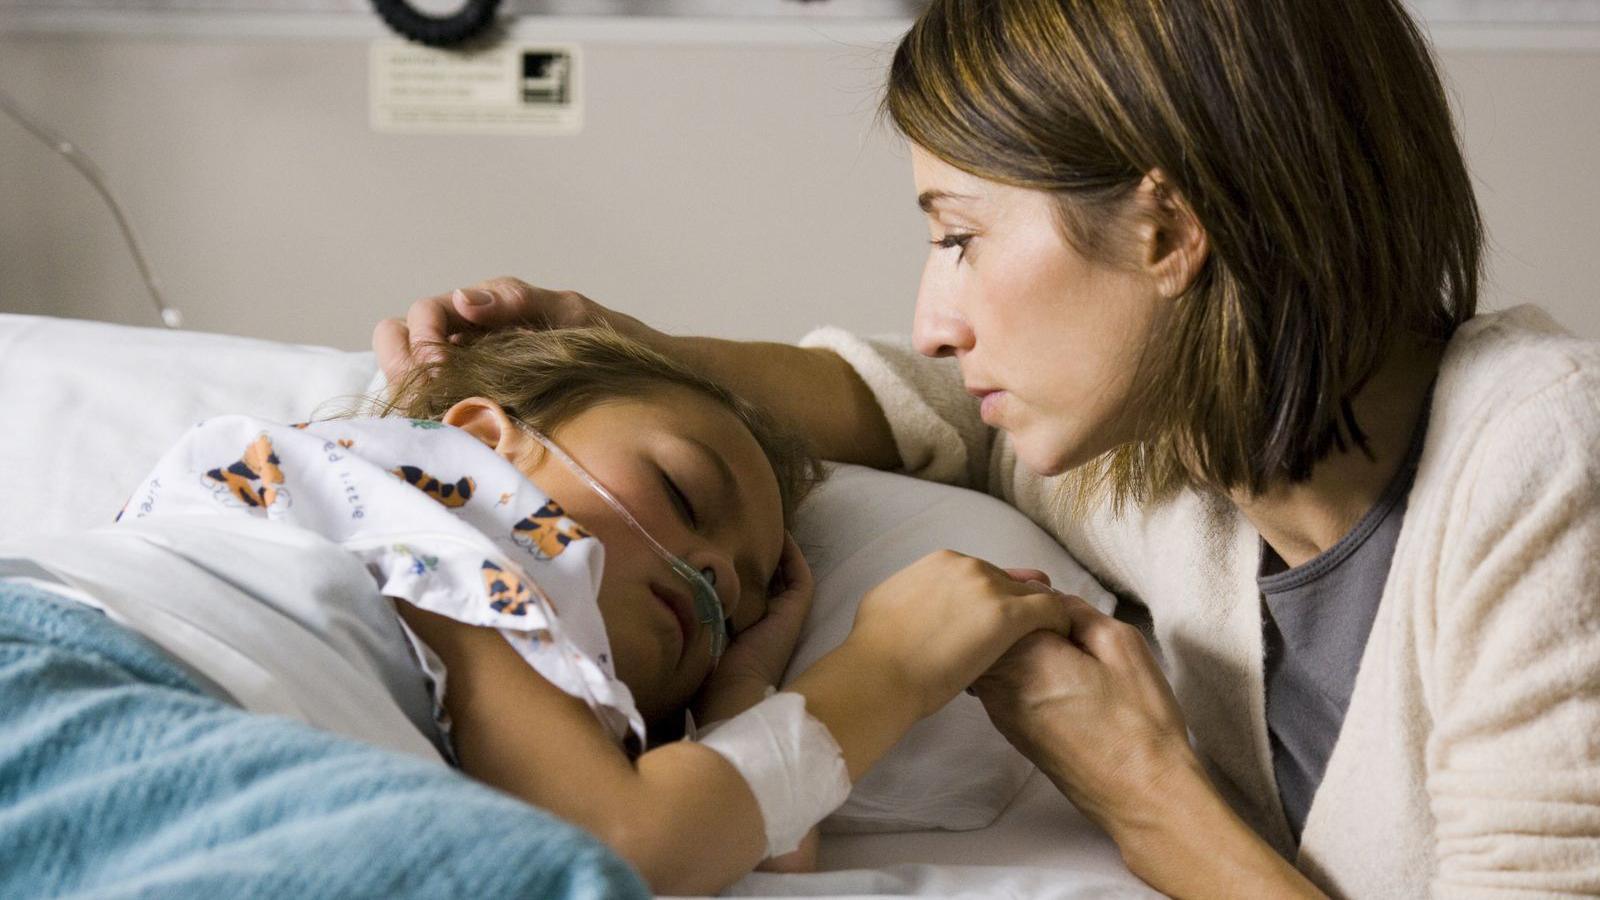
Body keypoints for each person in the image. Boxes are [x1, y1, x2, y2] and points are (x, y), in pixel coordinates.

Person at [375, 1, 1600, 896]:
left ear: (1168, 230)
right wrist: (621, 348)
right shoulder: (1166, 469)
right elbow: (923, 405)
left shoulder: (1541, 466)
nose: (935, 318)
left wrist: (1150, 800)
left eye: (959, 237)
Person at [0, 326, 1078, 897]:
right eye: (688, 493)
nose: (706, 575)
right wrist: (887, 666)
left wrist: (743, 684)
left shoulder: (513, 707)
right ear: (484, 434)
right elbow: (627, 839)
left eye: (737, 599)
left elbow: (736, 843)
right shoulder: (433, 508)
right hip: (75, 681)